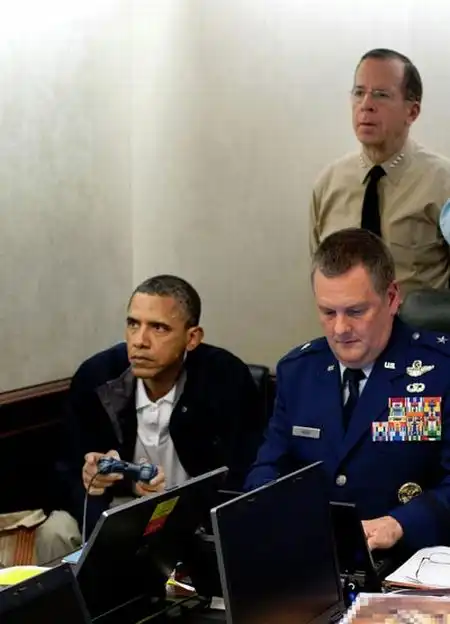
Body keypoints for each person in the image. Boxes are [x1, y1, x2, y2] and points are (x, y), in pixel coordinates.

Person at [246, 228, 450, 554]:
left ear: (392, 298)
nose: (340, 329)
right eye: (328, 312)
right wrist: (268, 506)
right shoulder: (299, 371)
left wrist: (400, 523)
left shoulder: (441, 370)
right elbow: (270, 465)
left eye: (356, 311)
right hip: (316, 554)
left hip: (409, 559)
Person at [36, 275, 263, 563]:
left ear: (192, 338)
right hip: (117, 505)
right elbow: (63, 473)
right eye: (133, 324)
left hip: (195, 514)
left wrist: (177, 504)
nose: (139, 341)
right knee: (55, 531)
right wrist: (91, 481)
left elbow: (242, 478)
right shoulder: (97, 376)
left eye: (159, 328)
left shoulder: (225, 379)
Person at [309, 48, 450, 296]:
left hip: (419, 321)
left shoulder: (443, 183)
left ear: (412, 111)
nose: (366, 105)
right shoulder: (328, 185)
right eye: (359, 93)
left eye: (381, 95)